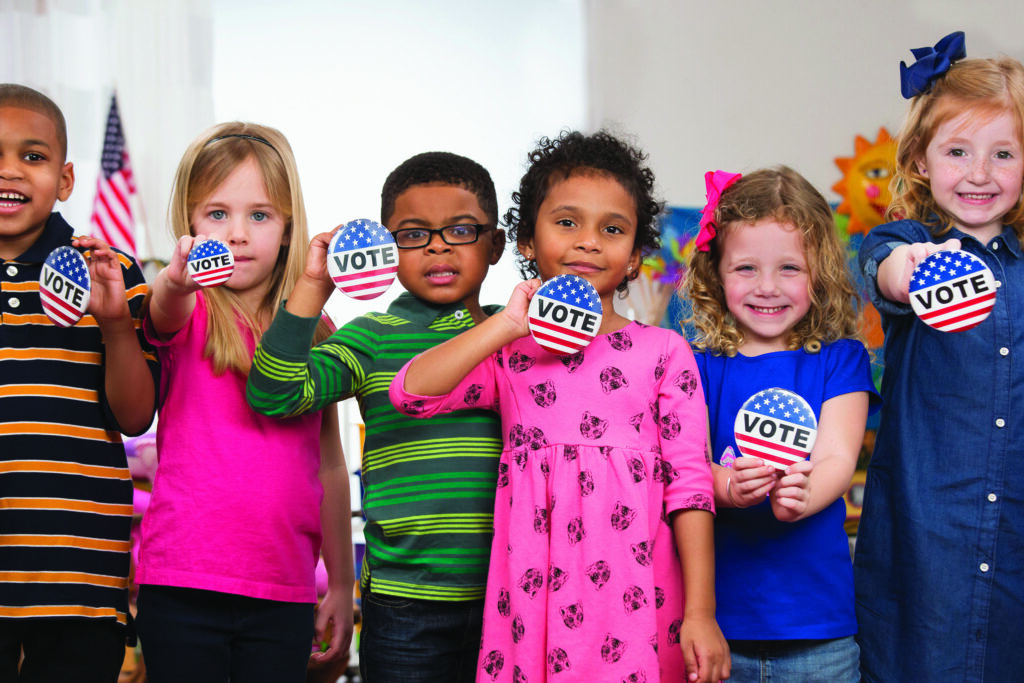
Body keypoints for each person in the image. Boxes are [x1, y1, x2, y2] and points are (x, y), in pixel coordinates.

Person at [390, 130, 730, 683]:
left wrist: (701, 612)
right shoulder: (511, 353)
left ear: (637, 254)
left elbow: (691, 487)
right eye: (567, 222)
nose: (589, 242)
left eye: (612, 229)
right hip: (533, 607)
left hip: (638, 604)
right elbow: (411, 393)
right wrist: (503, 326)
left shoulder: (665, 352)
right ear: (526, 241)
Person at [245, 151, 506, 682]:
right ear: (387, 249)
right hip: (403, 605)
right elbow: (274, 394)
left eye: (459, 229)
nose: (437, 245)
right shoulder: (372, 336)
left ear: (495, 244)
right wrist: (315, 285)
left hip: (511, 596)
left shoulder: (516, 335)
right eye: (413, 234)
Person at [134, 122, 353, 683]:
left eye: (258, 215)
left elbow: (329, 463)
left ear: (286, 227)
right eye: (217, 214)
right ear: (189, 222)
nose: (236, 233)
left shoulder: (316, 328)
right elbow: (162, 309)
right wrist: (177, 282)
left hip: (282, 585)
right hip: (182, 581)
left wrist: (344, 582)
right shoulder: (190, 307)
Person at [853, 31, 1024, 681]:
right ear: (922, 159)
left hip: (1011, 551)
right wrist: (912, 268)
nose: (979, 173)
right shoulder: (911, 242)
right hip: (926, 556)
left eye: (1003, 153)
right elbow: (884, 269)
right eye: (958, 151)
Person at [683, 167, 879, 682]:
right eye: (746, 268)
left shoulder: (841, 360)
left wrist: (804, 495)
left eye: (789, 268)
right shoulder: (696, 366)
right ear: (716, 273)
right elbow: (685, 466)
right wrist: (723, 485)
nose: (767, 287)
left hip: (819, 629)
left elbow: (838, 457)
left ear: (820, 272)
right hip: (719, 627)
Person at [0, 84, 158, 682]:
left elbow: (136, 417)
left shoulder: (108, 272)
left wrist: (115, 323)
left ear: (65, 179)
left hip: (78, 565)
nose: (9, 171)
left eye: (32, 157)